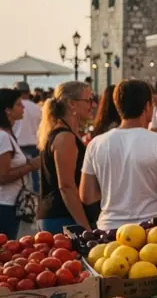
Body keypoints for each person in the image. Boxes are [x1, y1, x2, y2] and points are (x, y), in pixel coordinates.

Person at [80, 80, 157, 229]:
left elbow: (87, 196)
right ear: (147, 106)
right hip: (154, 230)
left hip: (111, 229)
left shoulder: (96, 144)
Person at [37, 81, 93, 232]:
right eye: (88, 100)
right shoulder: (65, 137)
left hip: (59, 214)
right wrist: (85, 227)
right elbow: (66, 186)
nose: (92, 105)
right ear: (72, 104)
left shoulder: (64, 133)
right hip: (62, 217)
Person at [0, 89, 41, 240]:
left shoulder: (7, 134)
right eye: (19, 105)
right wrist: (31, 166)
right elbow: (2, 176)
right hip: (6, 204)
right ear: (8, 110)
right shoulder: (3, 137)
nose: (23, 108)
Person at [13, 82, 43, 194]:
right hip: (35, 143)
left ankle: (22, 195)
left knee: (20, 174)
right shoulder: (36, 107)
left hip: (19, 143)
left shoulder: (14, 108)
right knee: (35, 174)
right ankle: (35, 195)